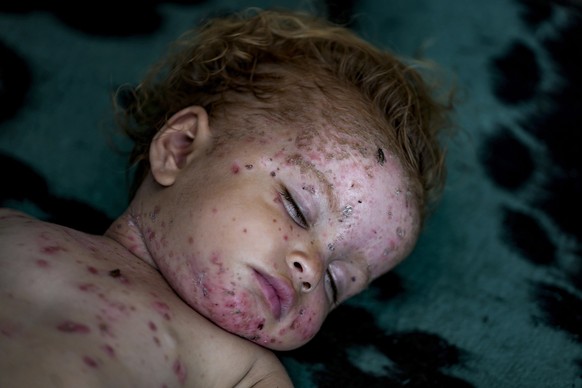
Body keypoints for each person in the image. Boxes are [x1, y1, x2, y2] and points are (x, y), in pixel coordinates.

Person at [0, 8, 451, 387]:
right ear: (179, 150)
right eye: (296, 207)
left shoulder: (243, 371)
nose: (311, 271)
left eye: (337, 284)